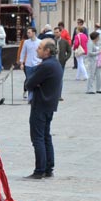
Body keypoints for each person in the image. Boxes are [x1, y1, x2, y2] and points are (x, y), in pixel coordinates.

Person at [22, 38, 63, 179]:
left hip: (40, 104)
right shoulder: (54, 64)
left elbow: (29, 83)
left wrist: (34, 83)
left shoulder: (45, 66)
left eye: (39, 48)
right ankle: (48, 167)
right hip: (49, 104)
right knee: (46, 136)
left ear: (47, 51)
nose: (36, 49)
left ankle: (40, 169)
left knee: (38, 138)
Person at [18, 28, 41, 102]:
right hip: (28, 64)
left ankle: (35, 97)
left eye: (29, 32)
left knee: (37, 81)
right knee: (29, 80)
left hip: (37, 64)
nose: (28, 34)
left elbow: (42, 52)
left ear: (34, 33)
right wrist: (22, 63)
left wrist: (42, 61)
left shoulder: (40, 42)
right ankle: (30, 97)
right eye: (27, 33)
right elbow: (23, 52)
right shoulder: (26, 42)